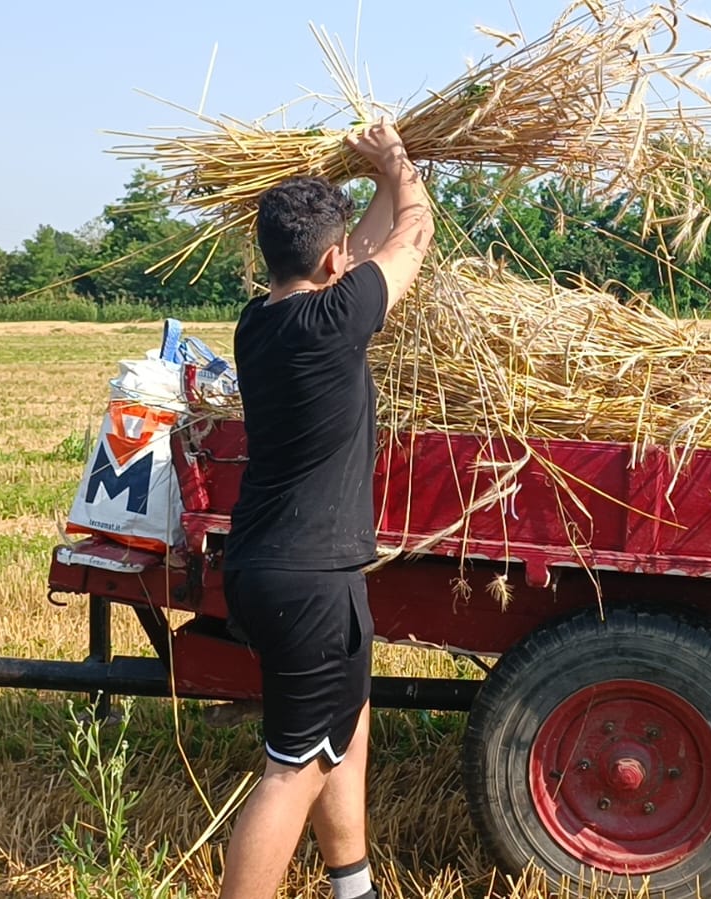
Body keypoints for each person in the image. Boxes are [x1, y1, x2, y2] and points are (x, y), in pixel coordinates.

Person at [216, 119, 433, 899]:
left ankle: (353, 887)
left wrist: (375, 184)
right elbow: (414, 234)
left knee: (346, 726)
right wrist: (399, 162)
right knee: (293, 766)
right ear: (335, 262)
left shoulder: (260, 321)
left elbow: (368, 245)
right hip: (307, 578)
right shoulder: (335, 319)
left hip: (279, 566)